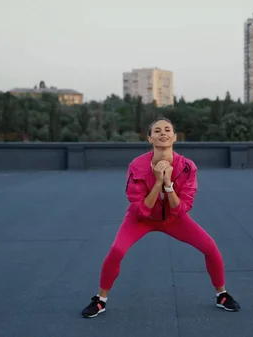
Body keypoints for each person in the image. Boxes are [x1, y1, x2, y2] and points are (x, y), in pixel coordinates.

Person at [81, 117, 241, 318]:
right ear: (150, 138)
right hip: (141, 219)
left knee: (210, 247)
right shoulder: (137, 165)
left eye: (167, 130)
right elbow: (140, 210)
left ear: (174, 137)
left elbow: (181, 209)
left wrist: (168, 185)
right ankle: (100, 300)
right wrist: (157, 183)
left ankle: (222, 295)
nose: (162, 133)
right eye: (157, 131)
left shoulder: (187, 167)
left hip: (174, 219)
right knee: (117, 250)